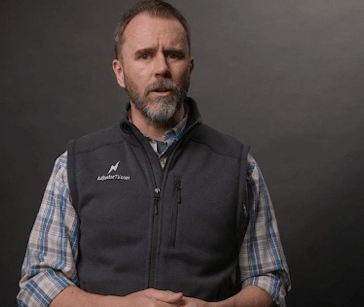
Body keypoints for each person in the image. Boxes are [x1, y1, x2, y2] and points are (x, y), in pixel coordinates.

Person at [17, 1, 291, 306]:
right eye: (145, 55)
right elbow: (37, 282)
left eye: (173, 54)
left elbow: (270, 279)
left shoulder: (239, 166)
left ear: (190, 67)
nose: (161, 67)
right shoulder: (75, 163)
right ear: (120, 72)